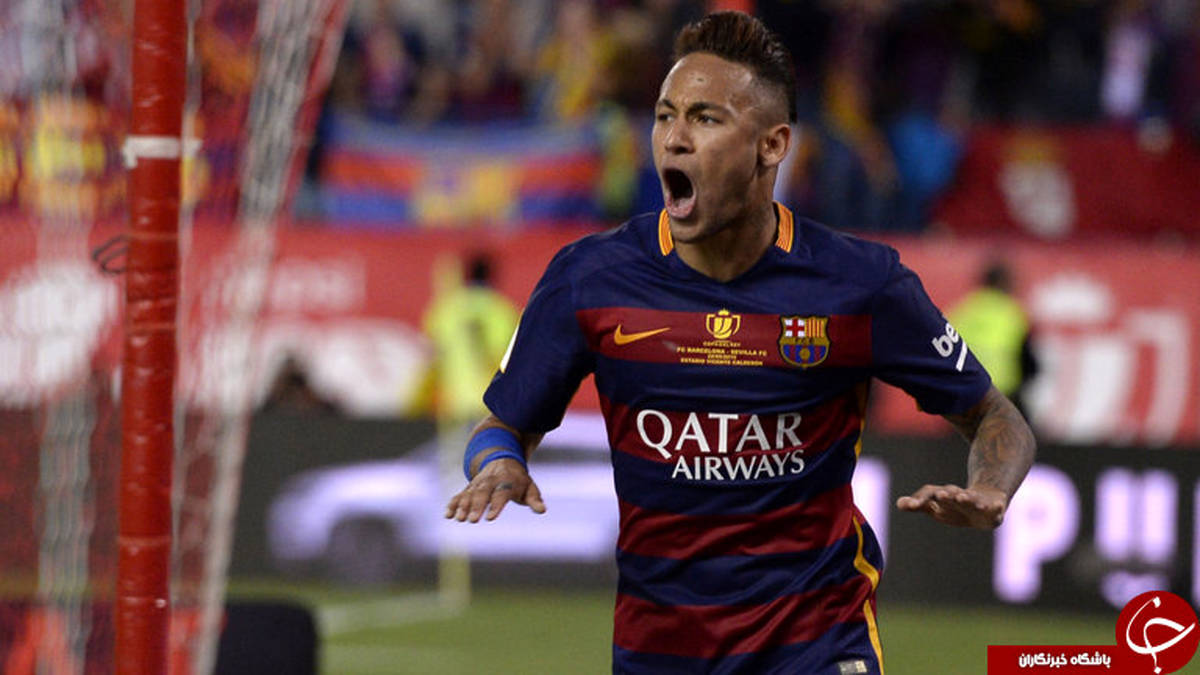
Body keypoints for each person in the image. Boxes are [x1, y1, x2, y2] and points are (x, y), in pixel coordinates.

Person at [445, 11, 1036, 674]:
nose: (674, 139)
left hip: (818, 644)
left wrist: (992, 486)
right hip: (658, 653)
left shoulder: (861, 284)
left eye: (705, 118)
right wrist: (498, 463)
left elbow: (994, 415)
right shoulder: (589, 278)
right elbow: (503, 426)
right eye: (665, 116)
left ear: (772, 145)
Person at [949, 259, 1040, 421]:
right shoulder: (1012, 313)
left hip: (965, 394)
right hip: (1002, 394)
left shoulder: (963, 311)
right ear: (1005, 283)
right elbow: (1029, 363)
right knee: (1021, 433)